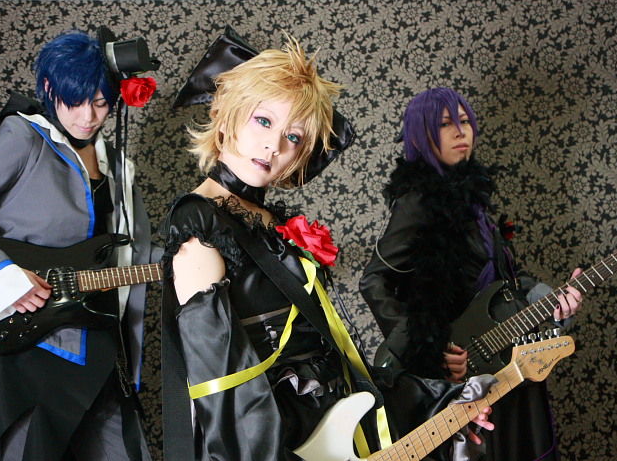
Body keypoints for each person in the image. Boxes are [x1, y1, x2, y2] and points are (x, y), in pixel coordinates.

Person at [161, 34, 494, 461]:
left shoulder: (268, 220)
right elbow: (220, 386)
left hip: (330, 422)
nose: (275, 146)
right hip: (272, 442)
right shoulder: (199, 221)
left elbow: (335, 357)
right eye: (263, 121)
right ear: (224, 115)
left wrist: (441, 405)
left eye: (294, 136)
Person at [0, 28, 160, 461]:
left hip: (97, 339)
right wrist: (4, 277)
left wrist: (194, 257)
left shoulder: (118, 165)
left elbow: (135, 253)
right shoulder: (24, 138)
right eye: (74, 101)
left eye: (100, 103)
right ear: (49, 90)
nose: (88, 116)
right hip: (29, 340)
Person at [359, 87, 584, 460]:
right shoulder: (418, 201)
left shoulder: (473, 200)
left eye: (464, 121)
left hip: (506, 359)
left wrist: (553, 302)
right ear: (421, 134)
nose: (460, 131)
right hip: (466, 373)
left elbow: (505, 281)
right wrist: (429, 348)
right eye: (446, 124)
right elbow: (374, 280)